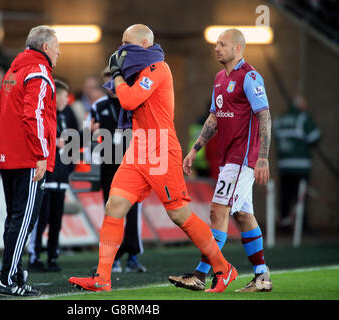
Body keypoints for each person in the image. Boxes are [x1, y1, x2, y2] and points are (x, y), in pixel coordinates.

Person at [68, 24, 236, 293]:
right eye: (120, 43)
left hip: (160, 149)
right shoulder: (135, 72)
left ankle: (224, 268)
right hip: (139, 148)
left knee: (179, 214)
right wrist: (120, 76)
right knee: (114, 207)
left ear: (145, 43)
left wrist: (118, 74)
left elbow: (129, 101)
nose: (122, 49)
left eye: (128, 42)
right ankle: (102, 278)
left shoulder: (159, 68)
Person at [168, 28, 273, 292]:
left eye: (222, 44)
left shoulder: (250, 76)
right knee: (243, 214)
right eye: (216, 44)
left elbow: (264, 116)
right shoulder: (218, 78)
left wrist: (262, 158)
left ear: (238, 48)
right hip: (228, 158)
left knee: (218, 210)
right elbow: (214, 119)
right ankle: (262, 276)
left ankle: (204, 273)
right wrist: (194, 150)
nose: (217, 48)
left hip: (242, 157)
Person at [0, 25, 60, 296]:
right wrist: (41, 153)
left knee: (15, 220)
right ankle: (8, 280)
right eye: (57, 47)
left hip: (9, 157)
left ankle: (15, 276)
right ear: (45, 47)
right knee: (24, 221)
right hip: (30, 158)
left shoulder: (13, 70)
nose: (59, 53)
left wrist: (12, 137)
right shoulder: (39, 72)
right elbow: (34, 115)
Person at [91, 67, 146, 273]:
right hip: (108, 165)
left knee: (133, 212)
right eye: (107, 83)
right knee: (111, 211)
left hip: (132, 164)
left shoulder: (132, 102)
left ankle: (132, 256)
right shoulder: (98, 106)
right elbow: (89, 132)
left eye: (114, 82)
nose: (111, 88)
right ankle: (111, 258)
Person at [28, 79, 77, 273]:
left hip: (61, 178)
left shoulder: (67, 115)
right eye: (64, 96)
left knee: (56, 221)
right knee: (42, 219)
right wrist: (54, 142)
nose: (66, 100)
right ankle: (35, 256)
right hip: (47, 177)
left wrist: (68, 168)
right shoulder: (46, 115)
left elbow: (73, 141)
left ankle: (52, 256)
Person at [274, 94, 321, 232]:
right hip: (301, 166)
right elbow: (315, 137)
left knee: (285, 196)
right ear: (300, 105)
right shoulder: (303, 118)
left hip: (284, 165)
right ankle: (302, 227)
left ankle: (284, 225)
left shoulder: (279, 119)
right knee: (300, 198)